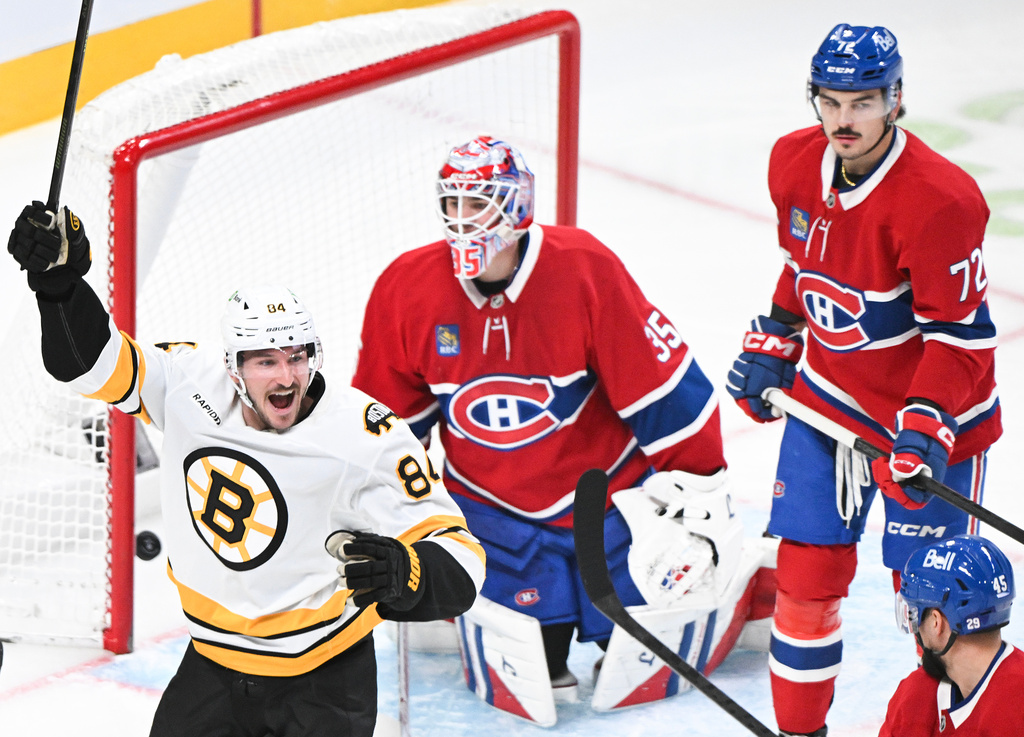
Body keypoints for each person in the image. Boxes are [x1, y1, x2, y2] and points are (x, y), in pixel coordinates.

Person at [6, 201, 485, 737]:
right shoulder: (190, 380)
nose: (286, 376)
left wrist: (407, 572)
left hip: (323, 676)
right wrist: (60, 289)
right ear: (232, 368)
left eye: (297, 356)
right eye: (265, 361)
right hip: (212, 661)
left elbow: (464, 562)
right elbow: (89, 365)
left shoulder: (366, 436)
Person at [351, 136, 732, 701]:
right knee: (528, 690)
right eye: (452, 203)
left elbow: (664, 389)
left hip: (604, 507)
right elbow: (383, 427)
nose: (462, 220)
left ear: (519, 205)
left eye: (477, 202)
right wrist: (373, 505)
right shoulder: (406, 288)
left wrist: (704, 490)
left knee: (642, 681)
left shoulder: (583, 268)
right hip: (492, 517)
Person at [725, 24, 1000, 737]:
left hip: (933, 424)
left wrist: (925, 421)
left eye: (864, 101)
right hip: (828, 405)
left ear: (895, 100)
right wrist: (777, 335)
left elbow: (961, 339)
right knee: (805, 583)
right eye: (832, 100)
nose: (844, 119)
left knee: (936, 607)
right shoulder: (791, 161)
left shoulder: (942, 199)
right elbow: (805, 261)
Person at [879, 534, 1023, 736]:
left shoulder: (914, 700)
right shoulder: (914, 694)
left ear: (937, 622)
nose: (916, 626)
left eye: (916, 613)